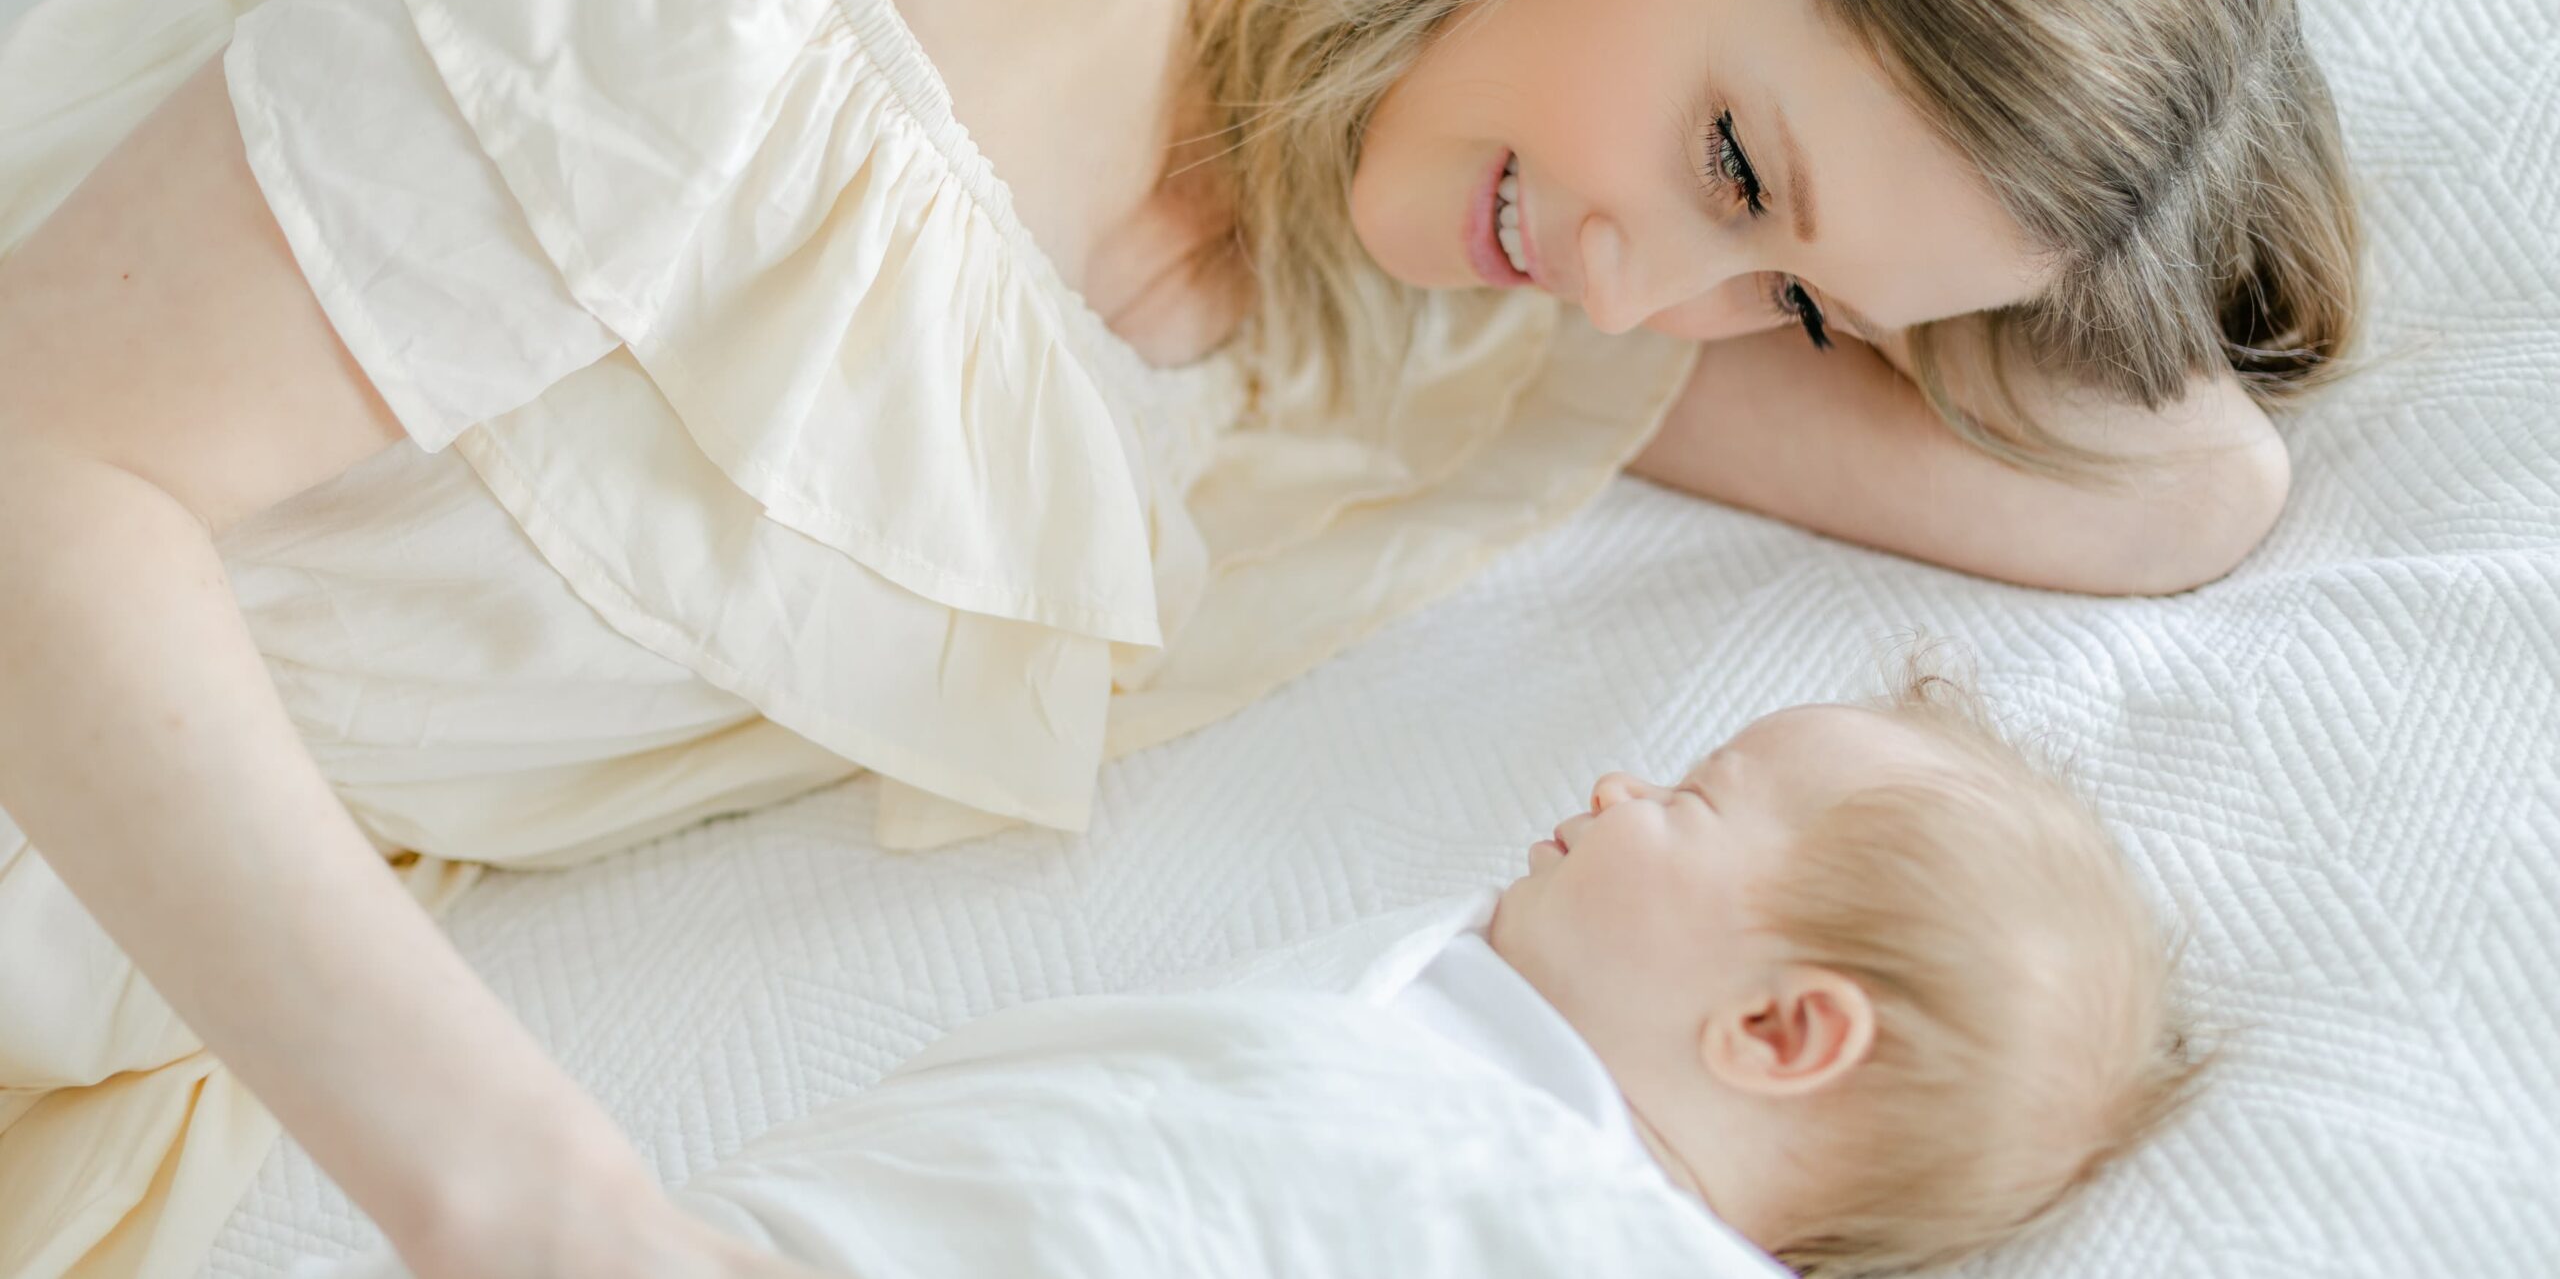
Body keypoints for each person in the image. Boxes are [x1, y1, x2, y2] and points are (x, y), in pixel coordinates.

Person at [0, 0, 2348, 1276]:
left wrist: (2097, 169)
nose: (1660, 300)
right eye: (1733, 164)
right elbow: (39, 461)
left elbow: (2168, 493)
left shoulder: (1477, 284)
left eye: (1795, 306)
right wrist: (535, 1208)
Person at [324, 669, 2207, 1279]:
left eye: (1700, 801)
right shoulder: (1443, 1006)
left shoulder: (1589, 1224)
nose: (1625, 783)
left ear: (1783, 1029)